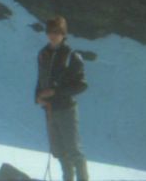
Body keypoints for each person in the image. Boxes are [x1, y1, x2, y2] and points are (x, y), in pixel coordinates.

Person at [36, 16, 89, 181]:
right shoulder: (43, 53)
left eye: (57, 32)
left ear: (63, 34)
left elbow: (81, 85)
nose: (52, 35)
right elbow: (40, 79)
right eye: (50, 31)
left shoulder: (72, 55)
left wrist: (55, 92)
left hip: (66, 109)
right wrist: (37, 97)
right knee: (59, 150)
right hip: (50, 110)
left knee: (74, 151)